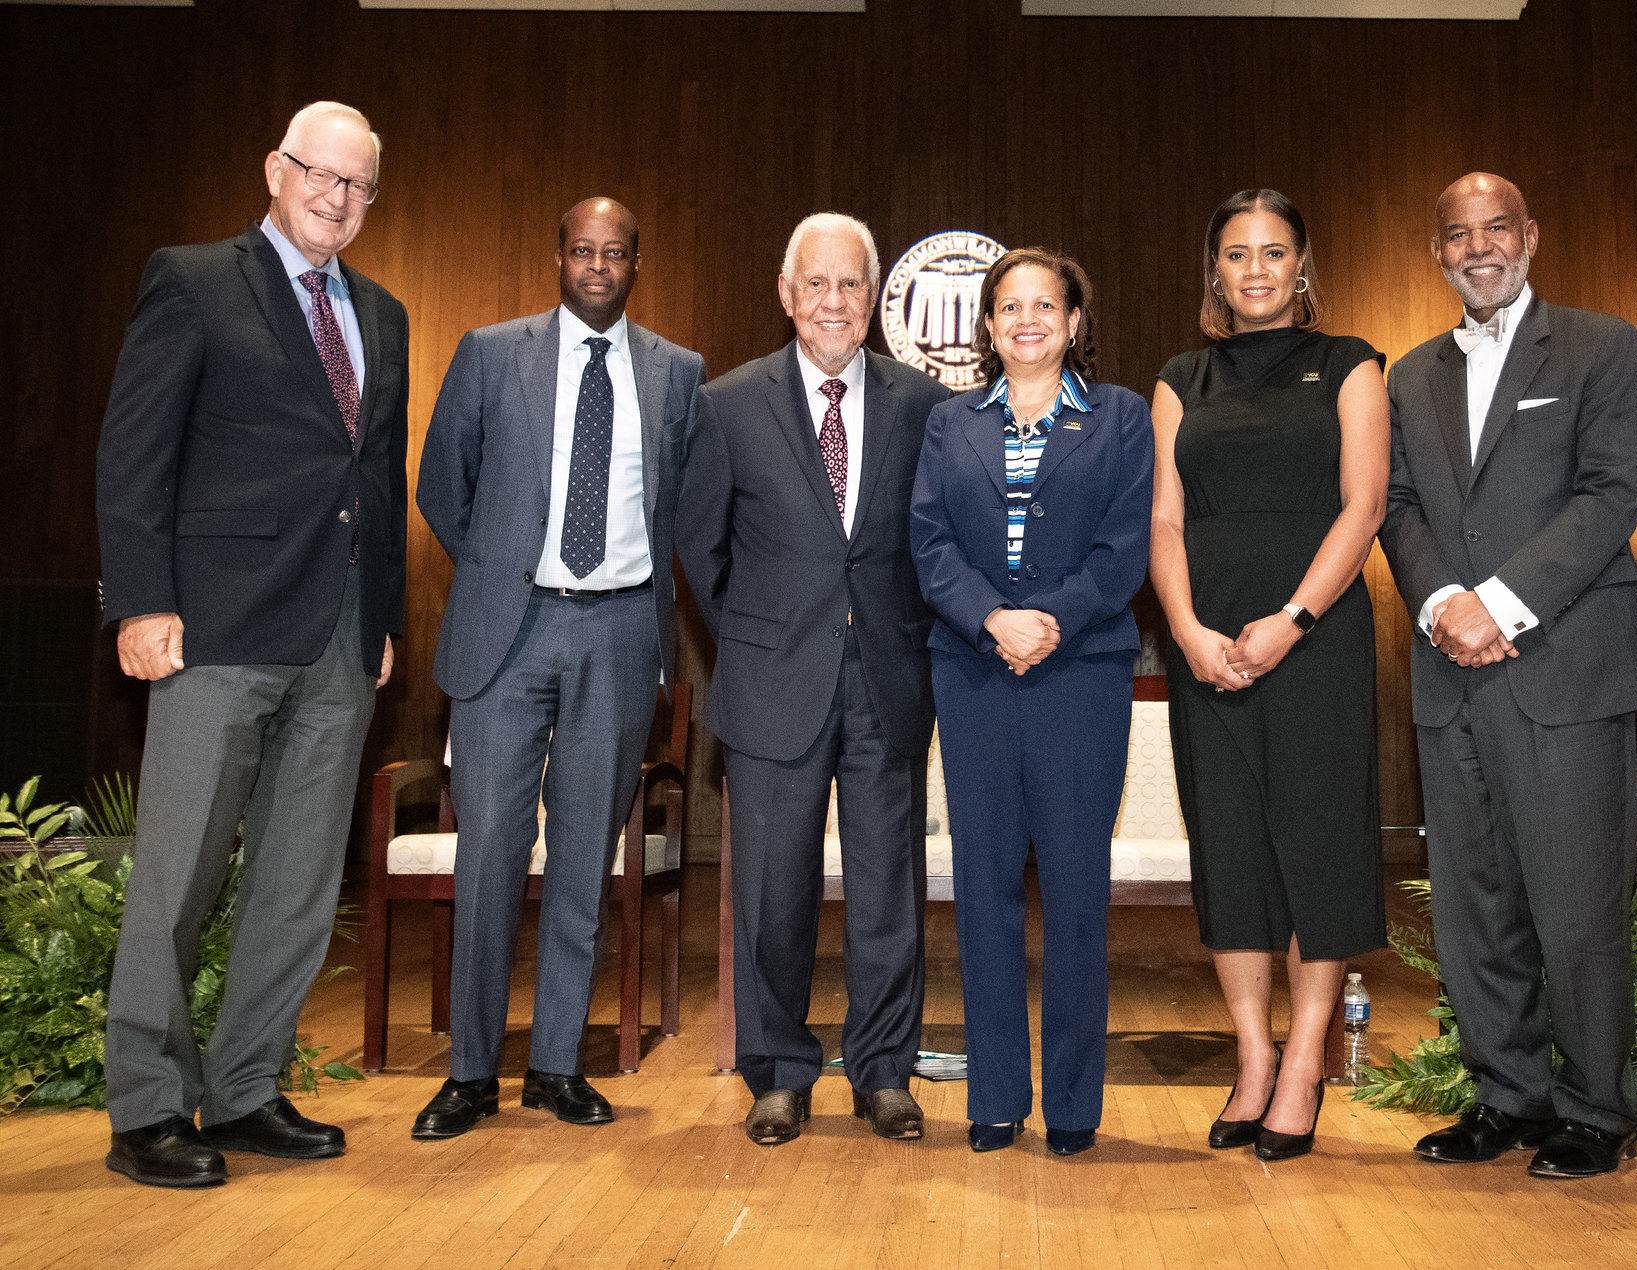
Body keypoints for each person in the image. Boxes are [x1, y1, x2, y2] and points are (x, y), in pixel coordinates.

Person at [95, 102, 408, 1188]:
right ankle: (144, 1109)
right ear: (275, 167)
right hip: (213, 625)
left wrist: (382, 623)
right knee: (176, 873)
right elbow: (133, 451)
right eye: (322, 174)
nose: (338, 198)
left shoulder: (384, 311)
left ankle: (243, 1088)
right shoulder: (191, 279)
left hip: (335, 632)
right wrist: (140, 601)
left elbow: (375, 475)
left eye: (359, 186)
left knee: (299, 878)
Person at [1379, 174, 1637, 1179]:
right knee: (1474, 905)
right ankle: (1506, 1094)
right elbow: (1397, 504)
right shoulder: (1407, 375)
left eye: (1494, 227)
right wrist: (1439, 607)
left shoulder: (1600, 346)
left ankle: (1594, 1110)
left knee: (1576, 902)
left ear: (1530, 236)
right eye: (1455, 233)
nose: (1476, 246)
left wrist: (1492, 604)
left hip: (1562, 666)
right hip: (1447, 673)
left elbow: (1606, 492)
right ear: (1437, 252)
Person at [409, 198, 700, 1139]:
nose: (599, 266)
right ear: (559, 256)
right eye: (583, 250)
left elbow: (689, 507)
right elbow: (441, 482)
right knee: (489, 850)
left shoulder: (679, 374)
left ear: (637, 262)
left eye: (617, 253)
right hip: (511, 628)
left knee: (585, 857)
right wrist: (501, 568)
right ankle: (467, 1073)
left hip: (621, 636)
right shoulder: (492, 353)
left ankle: (555, 1066)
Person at [676, 213, 953, 1146]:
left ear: (873, 300)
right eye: (817, 285)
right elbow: (700, 545)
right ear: (787, 294)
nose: (834, 302)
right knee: (771, 896)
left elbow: (929, 541)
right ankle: (780, 1074)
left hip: (887, 677)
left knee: (887, 894)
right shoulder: (725, 403)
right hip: (768, 683)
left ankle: (883, 1073)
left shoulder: (921, 403)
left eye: (851, 286)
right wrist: (757, 637)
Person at [1150, 189, 1389, 1162]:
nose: (1255, 269)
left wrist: (1290, 620)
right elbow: (1163, 520)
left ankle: (1303, 1068)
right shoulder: (1179, 376)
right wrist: (1186, 629)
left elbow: (1364, 504)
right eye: (1237, 254)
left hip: (1315, 640)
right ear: (1217, 272)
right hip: (1205, 648)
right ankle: (1251, 1057)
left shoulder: (1349, 363)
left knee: (1317, 851)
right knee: (1232, 854)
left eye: (1273, 251)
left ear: (1301, 266)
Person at [910, 249, 1153, 1157]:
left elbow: (1125, 546)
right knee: (982, 893)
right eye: (1008, 306)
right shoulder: (948, 426)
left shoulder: (1121, 417)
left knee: (1079, 895)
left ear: (1074, 322)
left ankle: (1076, 1109)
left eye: (1044, 306)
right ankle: (997, 1100)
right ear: (986, 325)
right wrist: (992, 621)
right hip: (973, 676)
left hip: (1081, 675)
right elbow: (929, 546)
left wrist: (1047, 620)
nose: (1026, 321)